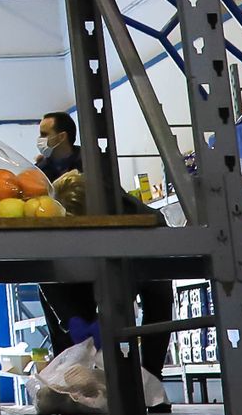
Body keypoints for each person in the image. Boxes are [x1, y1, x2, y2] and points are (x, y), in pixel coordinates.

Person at [32, 111, 174, 400]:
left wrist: (112, 308)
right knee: (68, 302)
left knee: (158, 293)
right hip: (86, 262)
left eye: (46, 133)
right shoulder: (44, 177)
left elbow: (133, 267)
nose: (41, 140)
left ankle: (151, 384)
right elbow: (44, 269)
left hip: (132, 263)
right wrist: (70, 318)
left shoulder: (125, 210)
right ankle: (69, 380)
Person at [35, 111, 82, 180]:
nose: (40, 139)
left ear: (62, 137)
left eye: (44, 134)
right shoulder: (39, 171)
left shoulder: (91, 164)